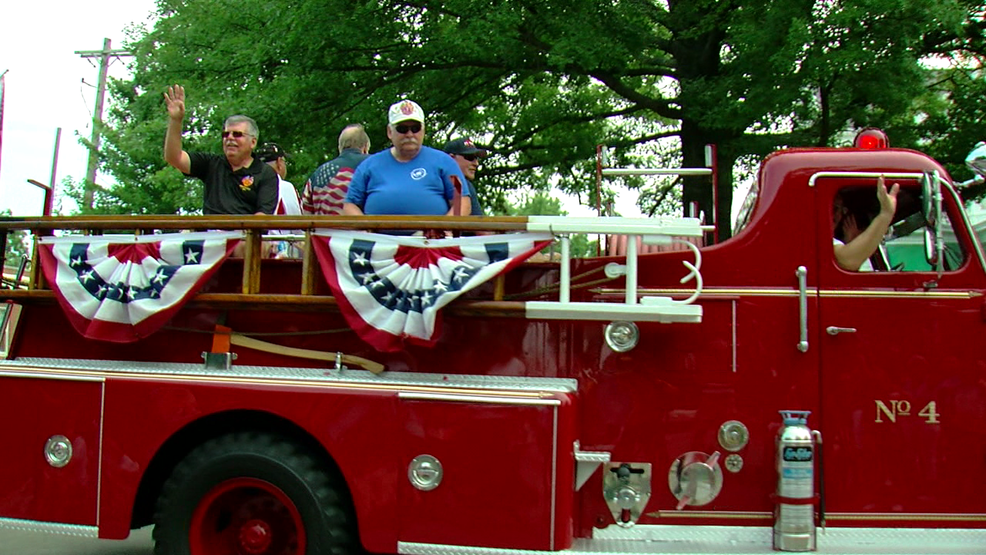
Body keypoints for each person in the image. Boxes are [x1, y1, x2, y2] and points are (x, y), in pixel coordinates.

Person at [343, 100, 470, 219]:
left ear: (423, 130)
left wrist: (442, 230)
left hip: (431, 240)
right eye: (402, 129)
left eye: (415, 128)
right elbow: (350, 205)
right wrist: (364, 228)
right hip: (381, 240)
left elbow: (462, 202)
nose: (410, 134)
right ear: (389, 132)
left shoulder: (445, 162)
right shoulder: (368, 166)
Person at [163, 84, 278, 215]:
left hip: (245, 234)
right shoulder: (211, 164)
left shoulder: (266, 173)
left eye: (237, 134)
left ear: (253, 142)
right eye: (226, 134)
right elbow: (174, 158)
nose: (230, 138)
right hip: (211, 233)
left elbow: (262, 218)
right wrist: (176, 120)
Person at [833, 175, 899, 271]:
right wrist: (885, 214)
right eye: (834, 208)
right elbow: (849, 262)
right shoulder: (818, 240)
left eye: (841, 210)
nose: (836, 215)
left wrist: (853, 244)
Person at [301, 124, 370, 216]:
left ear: (340, 148)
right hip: (366, 229)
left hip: (323, 229)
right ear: (365, 148)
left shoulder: (317, 174)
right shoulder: (376, 166)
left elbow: (305, 214)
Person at [256, 143, 303, 257]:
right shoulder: (285, 187)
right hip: (278, 255)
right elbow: (298, 227)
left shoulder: (248, 185)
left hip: (251, 251)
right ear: (279, 162)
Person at [442, 137, 487, 216]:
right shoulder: (461, 183)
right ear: (451, 158)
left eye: (476, 158)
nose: (476, 163)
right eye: (470, 157)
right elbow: (478, 226)